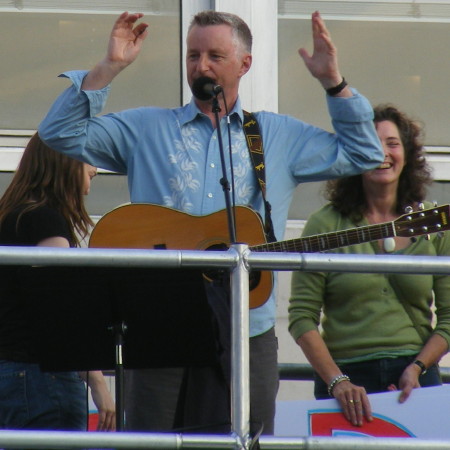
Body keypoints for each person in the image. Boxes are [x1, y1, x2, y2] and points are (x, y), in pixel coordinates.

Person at [38, 10, 384, 435]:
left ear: (245, 64)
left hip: (245, 327)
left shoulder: (276, 136)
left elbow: (366, 156)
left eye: (215, 56)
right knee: (153, 443)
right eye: (193, 55)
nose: (200, 66)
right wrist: (109, 67)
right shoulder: (146, 128)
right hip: (159, 325)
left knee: (246, 439)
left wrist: (334, 82)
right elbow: (58, 134)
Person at [288, 104, 450, 428]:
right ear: (354, 153)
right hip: (345, 381)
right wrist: (338, 382)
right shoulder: (324, 224)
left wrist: (417, 367)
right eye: (371, 143)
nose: (383, 153)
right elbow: (301, 317)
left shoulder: (432, 223)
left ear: (407, 154)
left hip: (416, 379)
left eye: (392, 143)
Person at [0, 133, 116, 432]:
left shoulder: (11, 217)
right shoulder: (45, 220)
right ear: (64, 159)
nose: (94, 169)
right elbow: (60, 307)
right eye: (88, 157)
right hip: (41, 378)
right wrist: (98, 380)